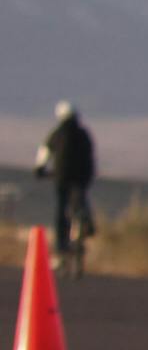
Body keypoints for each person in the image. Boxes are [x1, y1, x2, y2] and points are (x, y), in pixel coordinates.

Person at [34, 103, 97, 276]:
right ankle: (86, 222)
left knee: (61, 213)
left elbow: (44, 152)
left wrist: (39, 169)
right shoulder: (83, 134)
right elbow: (91, 158)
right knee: (80, 202)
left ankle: (62, 247)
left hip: (61, 178)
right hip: (81, 179)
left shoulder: (57, 134)